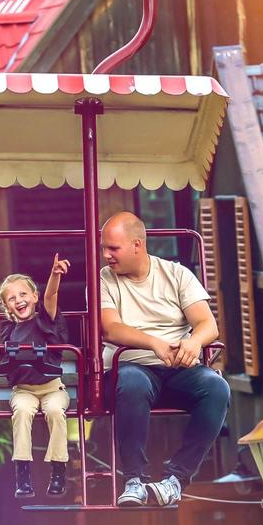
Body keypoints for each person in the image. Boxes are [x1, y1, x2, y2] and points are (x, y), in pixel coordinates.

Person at [100, 212, 230, 507]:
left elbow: (208, 325)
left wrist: (193, 343)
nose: (107, 255)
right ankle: (133, 479)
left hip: (176, 371)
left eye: (113, 248)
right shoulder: (104, 281)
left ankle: (176, 480)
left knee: (217, 387)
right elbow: (110, 328)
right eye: (104, 248)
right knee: (131, 380)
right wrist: (154, 343)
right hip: (131, 369)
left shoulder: (177, 274)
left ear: (137, 245)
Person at [0, 254, 71, 499]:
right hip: (24, 390)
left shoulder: (46, 320)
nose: (19, 300)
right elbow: (5, 364)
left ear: (34, 297)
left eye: (23, 294)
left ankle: (58, 470)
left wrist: (55, 275)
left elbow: (51, 296)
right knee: (23, 411)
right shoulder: (9, 331)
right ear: (7, 307)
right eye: (12, 298)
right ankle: (23, 473)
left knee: (56, 412)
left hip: (51, 387)